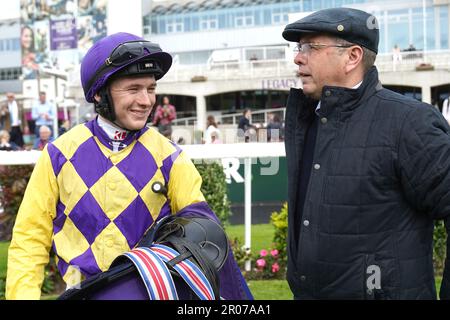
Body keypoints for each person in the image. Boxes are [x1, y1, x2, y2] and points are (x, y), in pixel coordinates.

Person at [6, 32, 252, 300]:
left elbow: (206, 238)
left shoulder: (170, 158)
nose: (146, 101)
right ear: (100, 94)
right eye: (133, 89)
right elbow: (29, 242)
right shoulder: (57, 155)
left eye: (151, 88)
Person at [282, 7, 450, 300]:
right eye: (299, 47)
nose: (298, 57)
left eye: (311, 47)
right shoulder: (307, 121)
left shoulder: (409, 122)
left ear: (353, 56)